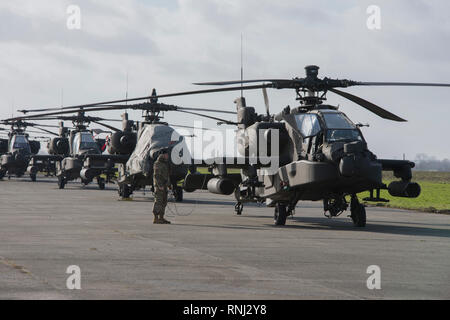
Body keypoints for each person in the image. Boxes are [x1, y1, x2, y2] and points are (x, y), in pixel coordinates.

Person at [152, 149, 171, 224]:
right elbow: (157, 175)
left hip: (164, 186)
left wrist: (169, 185)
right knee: (158, 201)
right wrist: (160, 185)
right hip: (159, 186)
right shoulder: (158, 163)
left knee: (164, 202)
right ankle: (156, 218)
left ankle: (161, 217)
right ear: (162, 155)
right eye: (166, 155)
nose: (167, 156)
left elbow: (166, 176)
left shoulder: (165, 164)